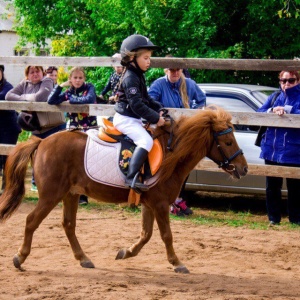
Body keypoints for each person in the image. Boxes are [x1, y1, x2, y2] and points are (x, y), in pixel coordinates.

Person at [148, 66, 206, 216]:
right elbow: (151, 101)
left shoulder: (189, 84)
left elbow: (201, 101)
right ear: (165, 70)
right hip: (165, 129)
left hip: (184, 132)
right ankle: (170, 199)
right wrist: (161, 111)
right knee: (164, 163)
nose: (175, 73)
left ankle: (176, 198)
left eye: (178, 70)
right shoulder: (158, 84)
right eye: (171, 70)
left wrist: (196, 112)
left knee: (184, 165)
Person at [113, 34, 165, 192]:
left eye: (149, 58)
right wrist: (156, 118)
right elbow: (136, 105)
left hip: (132, 119)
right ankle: (131, 177)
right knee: (146, 141)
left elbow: (146, 98)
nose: (149, 62)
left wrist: (160, 108)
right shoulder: (130, 78)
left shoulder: (138, 75)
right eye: (146, 58)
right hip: (125, 119)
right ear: (131, 58)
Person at [5, 65, 66, 192]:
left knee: (56, 157)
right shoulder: (24, 83)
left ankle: (58, 185)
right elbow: (8, 96)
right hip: (36, 126)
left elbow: (41, 97)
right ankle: (36, 182)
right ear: (27, 75)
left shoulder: (47, 81)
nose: (35, 74)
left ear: (42, 72)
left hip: (53, 125)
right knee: (37, 156)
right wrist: (28, 99)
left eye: (37, 71)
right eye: (31, 72)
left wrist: (24, 99)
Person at [48, 66, 98, 205]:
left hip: (90, 128)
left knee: (88, 158)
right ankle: (70, 189)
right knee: (71, 160)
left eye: (80, 77)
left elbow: (87, 99)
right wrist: (60, 86)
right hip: (74, 128)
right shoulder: (68, 91)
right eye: (75, 78)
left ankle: (86, 193)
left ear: (84, 79)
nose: (78, 80)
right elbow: (51, 100)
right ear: (70, 79)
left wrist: (70, 98)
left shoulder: (90, 88)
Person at [257, 70, 300, 226]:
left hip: (294, 151)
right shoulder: (274, 97)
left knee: (295, 188)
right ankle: (273, 219)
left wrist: (288, 111)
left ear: (298, 81)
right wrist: (272, 110)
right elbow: (259, 112)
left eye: (290, 80)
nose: (286, 84)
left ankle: (295, 220)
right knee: (272, 188)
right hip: (272, 150)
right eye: (283, 80)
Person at [0, 65, 21, 194]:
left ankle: (6, 189)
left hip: (8, 128)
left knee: (7, 159)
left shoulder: (7, 87)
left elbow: (4, 96)